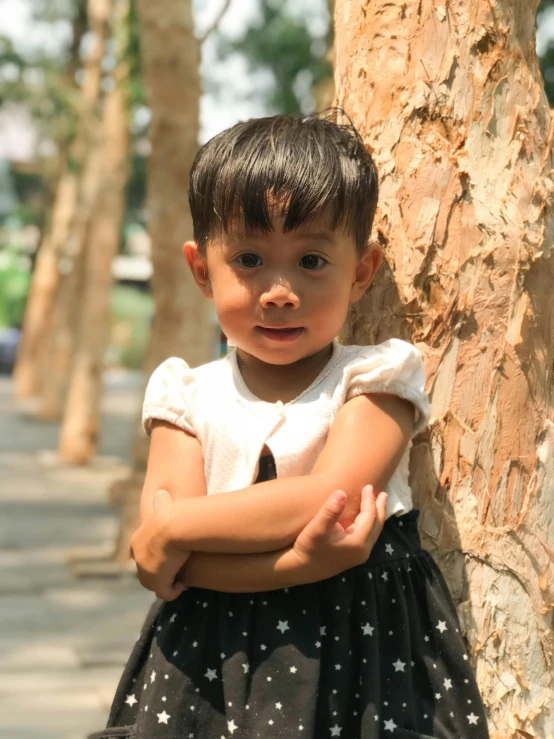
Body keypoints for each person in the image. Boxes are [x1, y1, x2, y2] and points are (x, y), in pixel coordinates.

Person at [93, 111, 490, 738]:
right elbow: (160, 564)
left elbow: (320, 496)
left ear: (361, 271)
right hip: (207, 660)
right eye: (249, 259)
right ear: (202, 271)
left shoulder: (378, 377)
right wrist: (295, 564)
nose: (279, 291)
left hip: (363, 654)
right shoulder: (186, 393)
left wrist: (175, 529)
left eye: (311, 260)